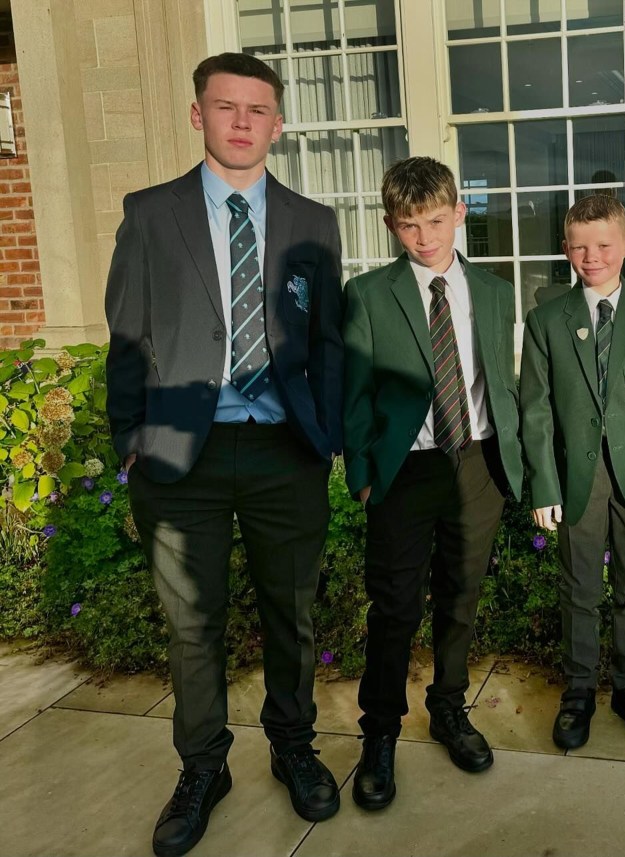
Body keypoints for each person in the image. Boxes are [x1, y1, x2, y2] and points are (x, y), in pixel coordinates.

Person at [104, 53, 344, 857]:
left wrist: (331, 436)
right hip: (182, 456)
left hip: (286, 449)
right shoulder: (150, 213)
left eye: (257, 109)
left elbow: (327, 341)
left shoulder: (315, 221)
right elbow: (128, 336)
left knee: (292, 613)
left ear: (278, 123)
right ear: (197, 114)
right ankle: (203, 765)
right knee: (192, 626)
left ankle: (292, 744)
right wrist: (128, 444)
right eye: (225, 107)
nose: (242, 122)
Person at [341, 156, 523, 810]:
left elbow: (504, 381)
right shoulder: (367, 295)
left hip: (477, 462)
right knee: (394, 606)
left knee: (461, 595)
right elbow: (353, 391)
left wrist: (516, 468)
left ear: (460, 213)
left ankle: (448, 708)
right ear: (392, 225)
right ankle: (380, 732)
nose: (425, 237)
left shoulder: (497, 292)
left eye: (436, 221)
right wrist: (361, 473)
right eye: (410, 225)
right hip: (405, 469)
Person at [520, 194, 625, 750]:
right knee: (579, 586)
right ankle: (580, 689)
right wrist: (544, 482)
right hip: (576, 481)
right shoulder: (546, 318)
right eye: (580, 246)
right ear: (566, 249)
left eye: (605, 245)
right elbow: (535, 408)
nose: (592, 257)